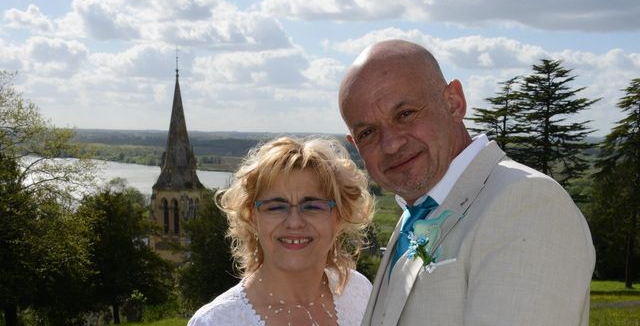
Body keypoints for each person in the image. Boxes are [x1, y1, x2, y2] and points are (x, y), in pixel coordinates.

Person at [338, 39, 595, 326]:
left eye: (406, 114)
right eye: (368, 132)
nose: (391, 144)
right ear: (355, 145)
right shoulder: (419, 211)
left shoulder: (529, 203)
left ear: (454, 103)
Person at [188, 136, 375, 326]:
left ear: (339, 216)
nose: (294, 222)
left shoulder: (360, 292)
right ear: (252, 217)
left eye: (313, 206)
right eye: (275, 207)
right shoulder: (216, 321)